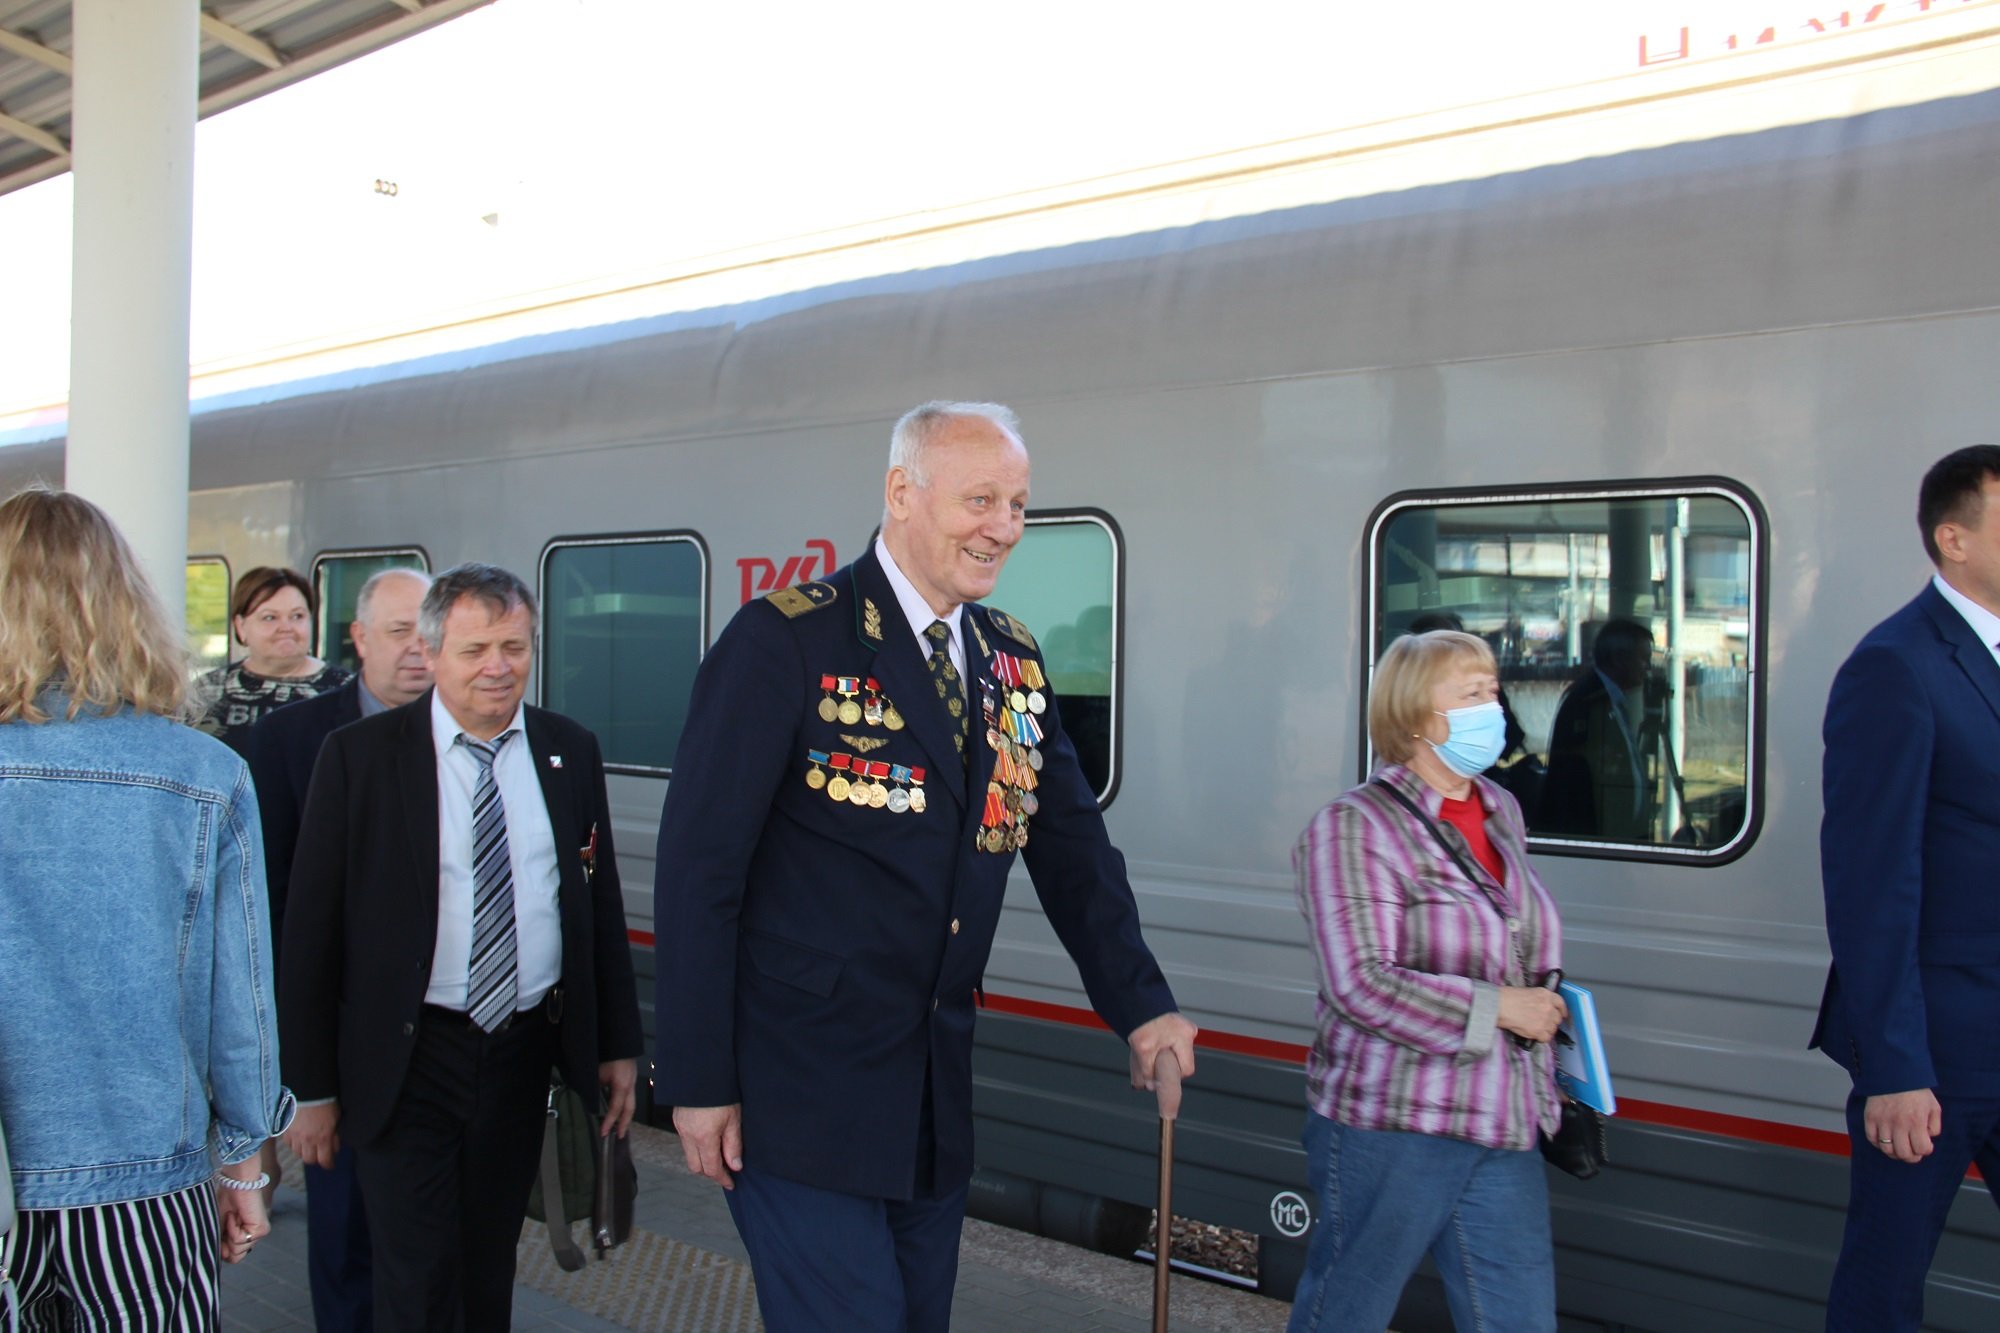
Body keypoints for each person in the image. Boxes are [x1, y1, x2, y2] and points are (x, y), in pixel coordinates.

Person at [654, 400, 1197, 1332]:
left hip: (930, 1101)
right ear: (901, 494)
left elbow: (1071, 850)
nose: (1004, 528)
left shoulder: (1012, 664)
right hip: (798, 1095)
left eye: (1019, 505)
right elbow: (699, 871)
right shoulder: (787, 641)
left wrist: (1140, 1002)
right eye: (981, 499)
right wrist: (698, 1079)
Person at [278, 563, 642, 1331]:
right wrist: (309, 1090)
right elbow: (311, 936)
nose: (499, 666)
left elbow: (596, 908)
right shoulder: (359, 758)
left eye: (514, 645)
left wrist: (616, 1046)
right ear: (433, 653)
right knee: (415, 1274)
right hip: (406, 1060)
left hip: (518, 1054)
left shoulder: (567, 750)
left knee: (488, 1263)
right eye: (477, 649)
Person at [0, 486, 295, 1326]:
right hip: (143, 1183)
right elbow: (242, 1000)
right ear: (125, 607)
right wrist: (244, 1166)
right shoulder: (202, 774)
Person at [1289, 629, 1566, 1332]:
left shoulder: (1500, 810)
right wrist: (1500, 1006)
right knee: (1346, 1309)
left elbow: (1507, 933)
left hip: (1502, 1114)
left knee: (1519, 1319)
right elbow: (1361, 982)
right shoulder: (1355, 826)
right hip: (1394, 1120)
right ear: (1417, 716)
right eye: (1472, 694)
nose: (1493, 707)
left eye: (1493, 690)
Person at [1811, 445, 2000, 1331]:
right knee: (1885, 1288)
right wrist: (1895, 1067)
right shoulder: (1897, 665)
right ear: (1953, 538)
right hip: (1935, 1053)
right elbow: (1870, 880)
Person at [244, 566, 432, 1332]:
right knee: (349, 1241)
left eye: (432, 634)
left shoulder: (483, 738)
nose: (420, 651)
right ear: (356, 639)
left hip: (451, 1051)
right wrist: (302, 1081)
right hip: (346, 1053)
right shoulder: (289, 742)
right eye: (399, 633)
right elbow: (276, 913)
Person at [195, 565, 350, 754]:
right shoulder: (205, 692)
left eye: (297, 616)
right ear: (240, 626)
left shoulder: (346, 690)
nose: (286, 627)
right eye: (270, 617)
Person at [1536, 617, 1658, 841]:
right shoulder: (1589, 702)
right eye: (1643, 659)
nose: (1648, 668)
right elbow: (1573, 782)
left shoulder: (1612, 700)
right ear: (1619, 658)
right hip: (1591, 840)